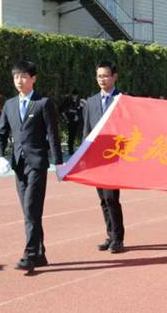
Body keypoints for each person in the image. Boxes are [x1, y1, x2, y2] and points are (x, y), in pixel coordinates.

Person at [0, 60, 63, 273]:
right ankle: (40, 253)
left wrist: (58, 163)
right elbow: (0, 132)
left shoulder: (44, 103)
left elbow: (53, 135)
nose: (19, 81)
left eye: (23, 76)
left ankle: (30, 255)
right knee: (29, 210)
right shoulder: (10, 105)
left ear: (33, 78)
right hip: (18, 165)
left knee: (32, 208)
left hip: (37, 163)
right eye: (16, 77)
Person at [83, 61, 125, 253]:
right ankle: (110, 234)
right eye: (99, 76)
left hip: (115, 158)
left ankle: (118, 237)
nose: (102, 79)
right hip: (96, 159)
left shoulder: (122, 100)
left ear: (114, 76)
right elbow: (87, 130)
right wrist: (84, 156)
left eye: (106, 76)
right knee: (103, 199)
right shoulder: (90, 102)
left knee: (111, 198)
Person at [60, 91, 83, 155]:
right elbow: (62, 110)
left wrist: (78, 114)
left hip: (78, 121)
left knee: (77, 134)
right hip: (70, 121)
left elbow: (81, 109)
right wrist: (66, 119)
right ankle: (70, 150)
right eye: (74, 96)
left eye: (76, 96)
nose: (75, 97)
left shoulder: (79, 101)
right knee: (71, 135)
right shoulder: (68, 101)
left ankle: (78, 148)